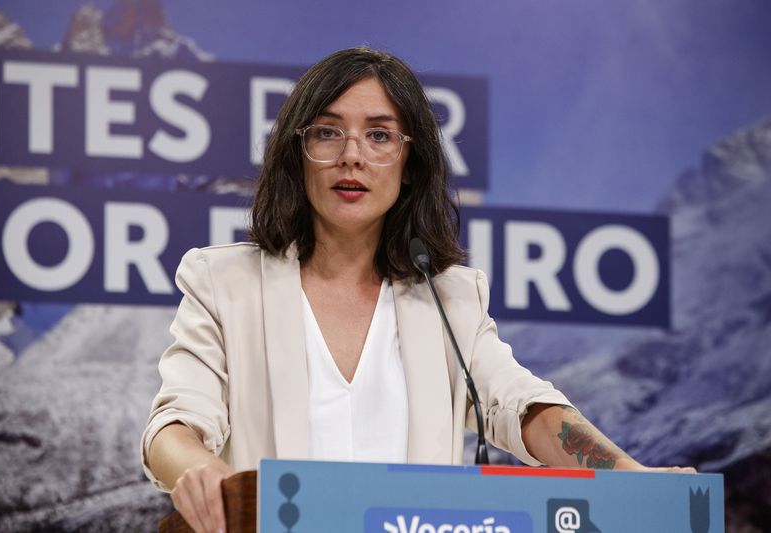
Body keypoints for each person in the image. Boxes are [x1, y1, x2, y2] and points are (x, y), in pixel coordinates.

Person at [142, 47, 693, 533]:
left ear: (409, 164)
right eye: (328, 132)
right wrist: (201, 471)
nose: (352, 155)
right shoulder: (225, 283)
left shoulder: (449, 298)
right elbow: (175, 424)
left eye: (379, 135)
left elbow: (521, 406)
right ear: (298, 152)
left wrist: (630, 477)